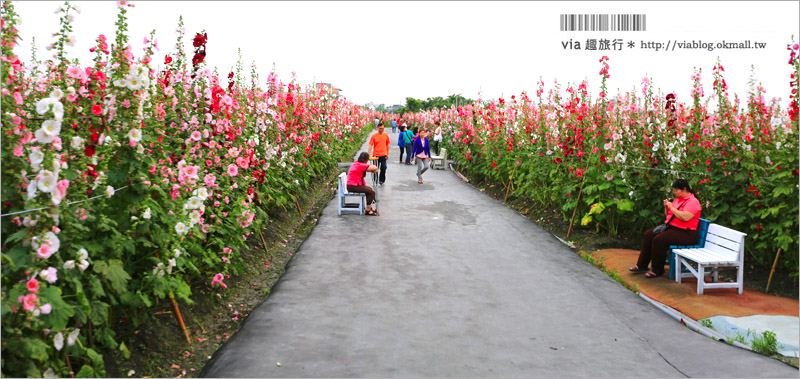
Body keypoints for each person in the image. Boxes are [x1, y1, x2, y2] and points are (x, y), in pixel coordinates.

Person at [629, 179, 702, 278]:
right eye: (674, 191)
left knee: (659, 240)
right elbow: (669, 215)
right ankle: (641, 265)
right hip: (673, 227)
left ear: (684, 189)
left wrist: (672, 207)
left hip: (686, 233)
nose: (675, 193)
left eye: (677, 190)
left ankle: (657, 270)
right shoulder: (678, 200)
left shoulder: (693, 202)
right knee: (649, 234)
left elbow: (685, 217)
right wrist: (667, 208)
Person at [368, 121, 391, 186]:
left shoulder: (386, 135)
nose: (381, 130)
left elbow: (387, 145)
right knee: (375, 168)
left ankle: (381, 180)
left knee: (383, 167)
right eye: (380, 128)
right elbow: (370, 145)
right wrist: (369, 153)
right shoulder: (374, 136)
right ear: (377, 128)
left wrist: (387, 153)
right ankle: (375, 181)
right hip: (376, 155)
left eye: (383, 128)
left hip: (383, 154)